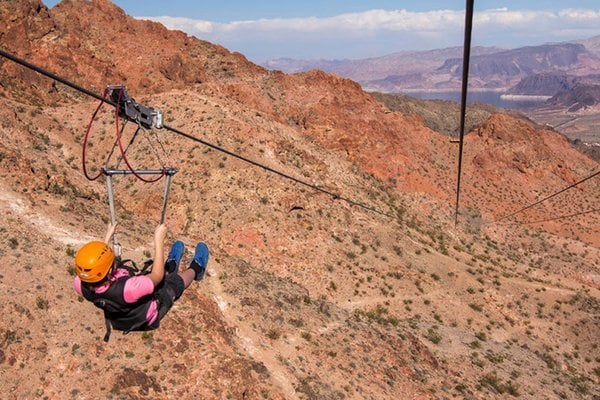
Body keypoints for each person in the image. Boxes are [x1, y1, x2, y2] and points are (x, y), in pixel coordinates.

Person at [73, 223, 209, 341]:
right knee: (175, 283)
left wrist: (107, 239)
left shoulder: (80, 284)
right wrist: (159, 241)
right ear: (108, 272)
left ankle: (171, 266)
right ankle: (197, 268)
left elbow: (97, 270)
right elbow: (157, 275)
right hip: (148, 315)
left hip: (122, 316)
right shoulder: (131, 288)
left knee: (158, 274)